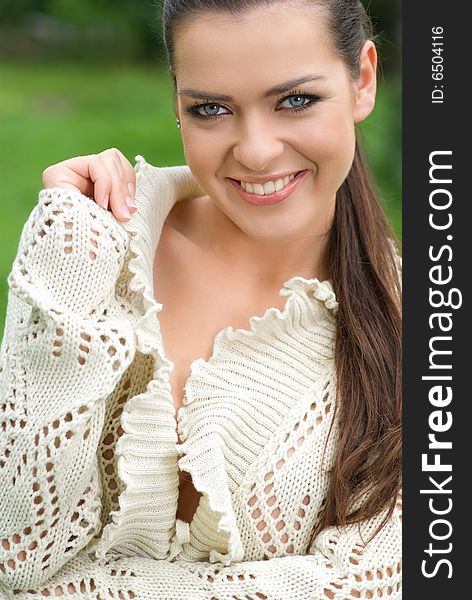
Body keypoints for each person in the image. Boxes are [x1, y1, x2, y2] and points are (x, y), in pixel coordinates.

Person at [0, 0, 402, 598]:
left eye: (295, 100)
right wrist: (73, 255)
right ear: (177, 105)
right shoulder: (92, 247)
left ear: (362, 80)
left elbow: (361, 586)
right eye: (211, 109)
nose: (257, 151)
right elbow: (19, 555)